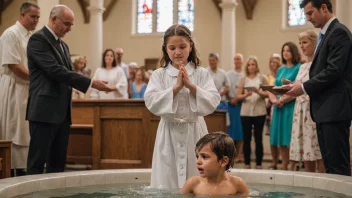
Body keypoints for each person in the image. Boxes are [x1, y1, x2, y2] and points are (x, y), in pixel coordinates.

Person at [26, 5, 112, 175]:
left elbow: (70, 73)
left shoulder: (63, 46)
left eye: (71, 25)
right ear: (53, 19)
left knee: (58, 165)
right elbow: (55, 71)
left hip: (62, 113)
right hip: (44, 111)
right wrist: (91, 83)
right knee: (37, 163)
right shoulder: (38, 40)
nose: (69, 29)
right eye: (67, 24)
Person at [144, 24, 220, 189]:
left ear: (190, 46)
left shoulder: (201, 73)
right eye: (172, 48)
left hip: (195, 132)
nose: (177, 52)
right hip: (168, 133)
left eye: (182, 47)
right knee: (166, 182)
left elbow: (213, 100)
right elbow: (150, 101)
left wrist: (191, 86)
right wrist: (176, 88)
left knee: (197, 181)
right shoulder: (159, 75)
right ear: (165, 49)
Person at [286, 0, 352, 176]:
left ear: (324, 7)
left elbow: (334, 70)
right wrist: (298, 85)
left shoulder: (339, 33)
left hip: (335, 109)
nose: (308, 18)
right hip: (325, 109)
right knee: (330, 167)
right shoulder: (326, 34)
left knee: (338, 167)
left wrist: (304, 87)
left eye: (310, 13)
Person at [0, 1, 40, 177]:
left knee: (25, 130)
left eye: (38, 17)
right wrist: (38, 79)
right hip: (13, 86)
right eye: (33, 17)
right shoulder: (11, 34)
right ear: (22, 15)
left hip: (27, 87)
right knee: (14, 128)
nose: (36, 20)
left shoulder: (30, 36)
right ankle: (12, 169)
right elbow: (14, 65)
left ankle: (24, 169)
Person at [289, 30, 324, 173]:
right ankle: (309, 183)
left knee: (316, 149)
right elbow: (298, 87)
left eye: (305, 42)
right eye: (300, 43)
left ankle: (323, 185)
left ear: (314, 43)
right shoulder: (302, 66)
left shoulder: (320, 64)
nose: (302, 46)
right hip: (300, 110)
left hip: (313, 109)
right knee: (305, 151)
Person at [181, 132, 250, 196]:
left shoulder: (237, 184)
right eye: (197, 156)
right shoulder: (192, 184)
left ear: (223, 161)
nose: (198, 161)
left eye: (204, 157)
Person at [268, 42, 301, 170]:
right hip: (278, 107)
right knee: (280, 137)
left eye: (288, 50)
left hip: (289, 106)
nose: (285, 53)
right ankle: (283, 166)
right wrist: (273, 100)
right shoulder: (280, 69)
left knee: (289, 137)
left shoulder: (298, 67)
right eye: (283, 50)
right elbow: (273, 88)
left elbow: (298, 89)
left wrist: (282, 100)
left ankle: (292, 165)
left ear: (293, 52)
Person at [236, 56, 268, 169]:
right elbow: (238, 96)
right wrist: (246, 94)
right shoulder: (243, 79)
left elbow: (267, 94)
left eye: (253, 64)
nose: (251, 67)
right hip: (246, 112)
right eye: (249, 65)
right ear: (247, 66)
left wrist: (257, 91)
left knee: (258, 138)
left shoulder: (262, 78)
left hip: (260, 112)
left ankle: (259, 163)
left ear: (256, 66)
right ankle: (247, 163)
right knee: (246, 138)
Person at [226, 53, 244, 163]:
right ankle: (231, 155)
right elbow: (226, 88)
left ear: (242, 61)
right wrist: (230, 98)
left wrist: (238, 98)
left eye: (239, 59)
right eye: (235, 59)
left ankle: (240, 155)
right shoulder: (228, 74)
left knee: (240, 131)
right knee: (231, 131)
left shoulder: (244, 74)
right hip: (230, 105)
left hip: (242, 105)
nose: (237, 61)